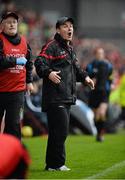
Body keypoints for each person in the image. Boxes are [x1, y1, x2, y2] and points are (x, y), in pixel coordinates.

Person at [35, 16, 94, 171]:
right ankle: (57, 164)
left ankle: (52, 165)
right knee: (60, 132)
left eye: (71, 26)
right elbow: (39, 62)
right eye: (65, 26)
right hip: (55, 96)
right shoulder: (51, 46)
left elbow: (76, 69)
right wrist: (49, 73)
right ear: (58, 30)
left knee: (58, 132)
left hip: (65, 96)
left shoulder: (69, 49)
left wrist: (86, 78)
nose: (70, 29)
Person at [0, 11, 34, 139]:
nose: (12, 24)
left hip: (17, 91)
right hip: (0, 90)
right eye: (8, 22)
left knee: (13, 125)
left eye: (14, 22)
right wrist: (15, 61)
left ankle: (13, 156)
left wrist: (29, 81)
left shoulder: (24, 42)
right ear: (2, 25)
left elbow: (29, 63)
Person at [86, 47, 113, 142]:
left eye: (102, 53)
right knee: (96, 116)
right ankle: (98, 132)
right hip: (94, 92)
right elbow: (86, 77)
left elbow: (111, 77)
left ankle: (101, 133)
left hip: (104, 92)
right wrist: (89, 81)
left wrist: (110, 85)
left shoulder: (108, 65)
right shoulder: (90, 65)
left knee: (101, 113)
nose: (100, 55)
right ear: (95, 54)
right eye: (98, 53)